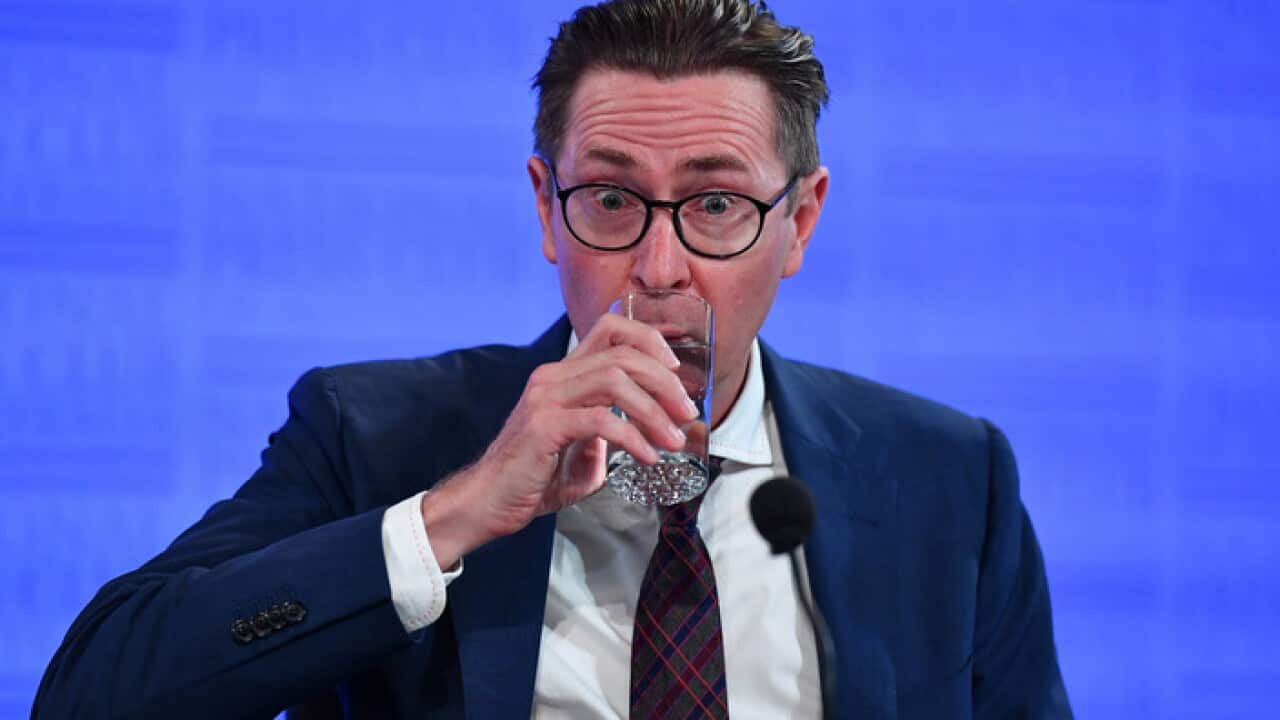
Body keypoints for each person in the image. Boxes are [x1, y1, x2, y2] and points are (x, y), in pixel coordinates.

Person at [34, 1, 1072, 718]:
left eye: (715, 204)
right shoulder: (375, 436)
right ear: (545, 206)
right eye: (612, 200)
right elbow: (93, 694)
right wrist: (453, 516)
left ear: (798, 222)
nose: (656, 267)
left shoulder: (946, 476)